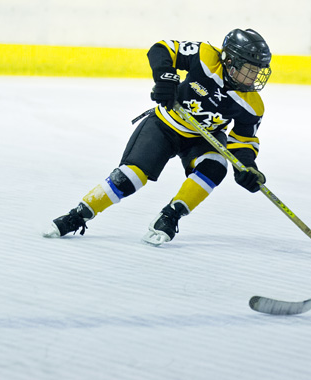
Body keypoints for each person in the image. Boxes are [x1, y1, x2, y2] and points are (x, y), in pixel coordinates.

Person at [43, 28, 272, 245]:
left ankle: (170, 216)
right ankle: (79, 215)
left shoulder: (253, 105)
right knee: (130, 177)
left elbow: (243, 141)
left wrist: (247, 167)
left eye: (258, 70)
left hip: (204, 138)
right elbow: (161, 49)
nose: (254, 77)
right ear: (230, 61)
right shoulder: (205, 56)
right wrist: (165, 79)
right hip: (165, 125)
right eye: (250, 69)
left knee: (215, 165)